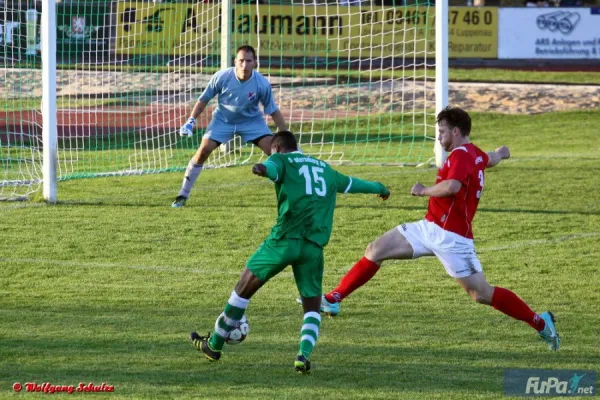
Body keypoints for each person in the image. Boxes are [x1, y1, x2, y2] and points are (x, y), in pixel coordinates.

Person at [319, 106, 560, 351]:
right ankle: (333, 298)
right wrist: (502, 152)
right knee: (375, 249)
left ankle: (541, 322)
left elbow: (452, 187)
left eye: (442, 132)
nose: (439, 137)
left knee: (482, 294)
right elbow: (490, 158)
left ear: (455, 131)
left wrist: (423, 190)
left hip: (453, 239)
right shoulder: (474, 153)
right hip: (429, 227)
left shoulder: (460, 156)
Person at [190, 130, 390, 374]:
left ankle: (214, 346)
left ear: (276, 148)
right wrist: (380, 187)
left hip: (282, 242)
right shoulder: (325, 168)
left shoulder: (280, 160)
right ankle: (302, 356)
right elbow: (352, 184)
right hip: (313, 248)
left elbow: (272, 169)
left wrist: (264, 170)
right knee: (312, 306)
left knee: (242, 291)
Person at [172, 44, 288, 208]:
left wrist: (286, 137)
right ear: (235, 61)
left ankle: (292, 194)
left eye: (248, 61)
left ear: (255, 62)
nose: (244, 65)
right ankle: (182, 195)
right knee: (203, 151)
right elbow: (204, 99)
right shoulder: (222, 76)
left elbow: (273, 111)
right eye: (241, 61)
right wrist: (191, 120)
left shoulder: (261, 83)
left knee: (276, 153)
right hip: (223, 121)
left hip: (252, 122)